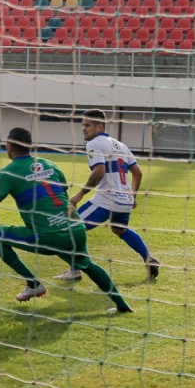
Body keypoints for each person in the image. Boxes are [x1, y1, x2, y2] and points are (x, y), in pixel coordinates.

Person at [0, 127, 132, 313]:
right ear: (30, 146)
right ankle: (122, 305)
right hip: (75, 229)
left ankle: (33, 283)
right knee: (87, 265)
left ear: (9, 147)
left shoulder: (8, 173)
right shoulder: (51, 165)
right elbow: (63, 193)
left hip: (47, 236)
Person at [61, 109, 160, 281]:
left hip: (107, 200)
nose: (83, 129)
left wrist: (79, 195)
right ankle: (149, 258)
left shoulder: (94, 144)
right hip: (124, 202)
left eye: (88, 125)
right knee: (120, 229)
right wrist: (132, 196)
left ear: (100, 126)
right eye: (83, 125)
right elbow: (138, 173)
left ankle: (75, 270)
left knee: (71, 227)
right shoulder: (120, 145)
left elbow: (99, 172)